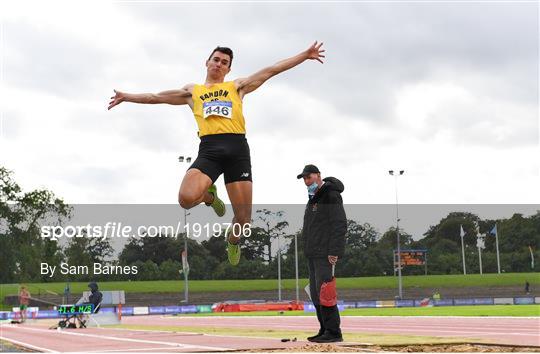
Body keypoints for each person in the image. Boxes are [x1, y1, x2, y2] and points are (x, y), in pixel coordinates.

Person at [109, 42, 325, 265]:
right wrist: (127, 96)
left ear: (228, 69)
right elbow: (155, 97)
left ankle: (232, 241)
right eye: (216, 60)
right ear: (207, 62)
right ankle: (210, 197)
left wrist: (305, 55)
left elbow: (272, 69)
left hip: (237, 151)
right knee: (185, 199)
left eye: (224, 62)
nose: (219, 64)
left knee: (243, 219)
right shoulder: (192, 92)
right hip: (210, 150)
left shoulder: (237, 86)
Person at [298, 164, 346, 343]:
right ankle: (324, 328)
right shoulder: (313, 199)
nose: (306, 181)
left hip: (325, 253)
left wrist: (334, 251)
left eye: (308, 177)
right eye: (304, 178)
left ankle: (334, 331)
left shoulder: (331, 195)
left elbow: (339, 224)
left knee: (326, 291)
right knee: (316, 293)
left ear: (318, 175)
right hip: (313, 253)